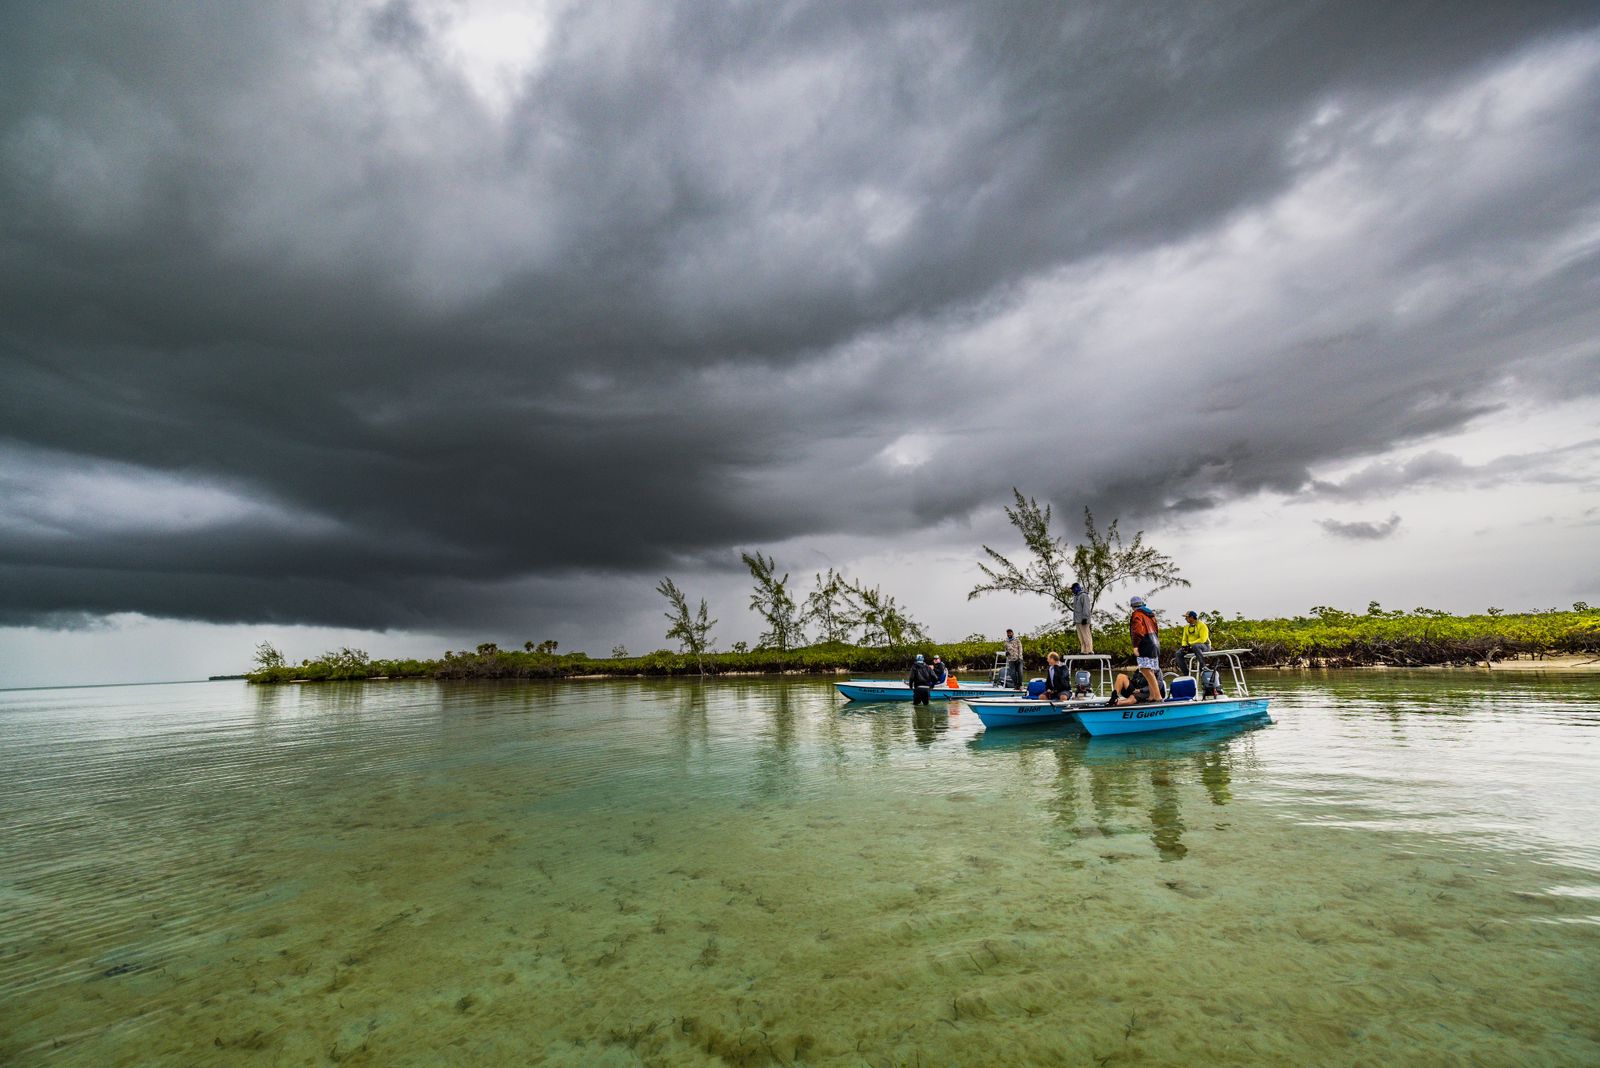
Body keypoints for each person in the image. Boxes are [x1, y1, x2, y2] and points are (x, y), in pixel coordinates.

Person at [1127, 596, 1162, 703]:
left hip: (1145, 643)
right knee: (1150, 670)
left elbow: (1137, 631)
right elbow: (1156, 630)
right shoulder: (1150, 614)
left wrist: (1136, 646)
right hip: (1155, 643)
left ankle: (1158, 697)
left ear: (1133, 606)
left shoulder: (1137, 614)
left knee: (1145, 670)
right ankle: (1151, 696)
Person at [1174, 611, 1211, 678]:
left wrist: (1190, 644)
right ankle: (1186, 674)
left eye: (1187, 617)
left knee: (1195, 646)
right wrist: (1184, 646)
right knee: (1178, 653)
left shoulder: (1202, 625)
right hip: (1192, 647)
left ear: (1192, 617)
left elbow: (1203, 639)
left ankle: (1203, 667)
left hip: (1204, 646)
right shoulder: (1186, 627)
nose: (1185, 619)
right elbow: (1184, 639)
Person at [1072, 582, 1093, 654]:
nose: (1072, 591)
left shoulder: (1084, 595)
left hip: (1083, 620)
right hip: (1078, 621)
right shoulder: (1076, 597)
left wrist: (1085, 618)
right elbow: (1076, 610)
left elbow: (1086, 607)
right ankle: (1083, 650)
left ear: (1077, 588)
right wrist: (1074, 621)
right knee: (1081, 637)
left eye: (1073, 589)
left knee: (1086, 635)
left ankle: (1089, 650)